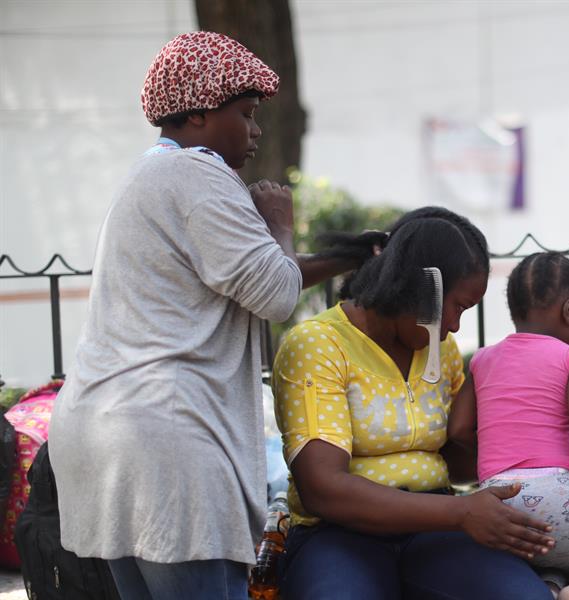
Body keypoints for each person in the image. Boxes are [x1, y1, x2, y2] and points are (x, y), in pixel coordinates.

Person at [49, 32, 353, 600]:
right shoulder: (200, 175)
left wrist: (345, 257)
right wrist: (279, 222)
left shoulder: (150, 175)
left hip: (107, 433)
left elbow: (250, 277)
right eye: (246, 113)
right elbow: (276, 293)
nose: (257, 131)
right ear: (196, 112)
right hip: (167, 441)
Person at [272, 207, 556, 600]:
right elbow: (324, 489)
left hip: (436, 530)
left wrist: (560, 437)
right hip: (339, 535)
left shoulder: (442, 348)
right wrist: (461, 513)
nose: (456, 325)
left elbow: (456, 463)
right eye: (457, 306)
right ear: (422, 289)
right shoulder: (319, 344)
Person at [449, 252, 569, 600]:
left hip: (496, 503)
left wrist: (498, 445)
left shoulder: (483, 358)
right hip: (557, 494)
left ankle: (548, 587)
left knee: (550, 554)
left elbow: (457, 429)